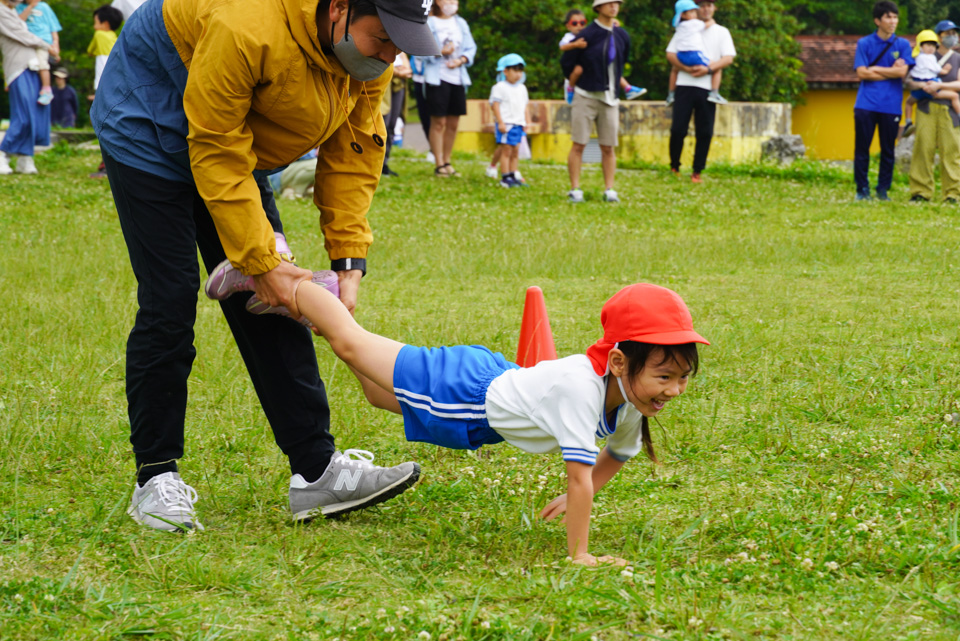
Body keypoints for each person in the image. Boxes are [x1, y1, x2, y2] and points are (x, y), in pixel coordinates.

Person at [88, 0, 441, 532]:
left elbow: (354, 148)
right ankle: (155, 478)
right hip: (148, 125)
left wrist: (347, 257)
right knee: (171, 297)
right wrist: (260, 261)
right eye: (383, 37)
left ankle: (316, 473)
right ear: (340, 9)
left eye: (401, 42)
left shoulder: (367, 60)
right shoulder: (246, 24)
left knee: (273, 305)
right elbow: (215, 145)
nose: (390, 53)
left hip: (228, 138)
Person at [255, 278, 708, 566]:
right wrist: (580, 554)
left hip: (482, 407)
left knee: (375, 389)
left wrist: (569, 501)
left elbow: (619, 453)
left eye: (682, 378)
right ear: (618, 361)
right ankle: (294, 284)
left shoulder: (628, 399)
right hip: (463, 393)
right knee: (352, 347)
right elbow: (580, 477)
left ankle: (320, 312)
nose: (674, 390)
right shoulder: (580, 390)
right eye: (664, 376)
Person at [561, 0, 632, 204]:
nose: (613, 7)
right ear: (598, 8)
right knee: (579, 144)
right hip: (586, 95)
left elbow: (623, 59)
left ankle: (609, 189)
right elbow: (567, 61)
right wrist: (580, 80)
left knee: (608, 146)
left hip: (610, 98)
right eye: (609, 3)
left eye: (616, 3)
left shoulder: (622, 35)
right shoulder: (586, 34)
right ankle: (575, 188)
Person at [666, 0, 735, 184]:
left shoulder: (721, 32)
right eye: (701, 6)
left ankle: (697, 170)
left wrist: (708, 70)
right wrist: (686, 69)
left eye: (709, 5)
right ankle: (674, 166)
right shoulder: (685, 28)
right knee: (678, 129)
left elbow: (728, 57)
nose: (705, 9)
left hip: (706, 87)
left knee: (704, 131)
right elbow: (671, 54)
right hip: (684, 84)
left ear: (714, 8)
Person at [852, 1, 912, 201]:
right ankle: (862, 190)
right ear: (877, 21)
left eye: (895, 17)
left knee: (888, 150)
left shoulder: (902, 44)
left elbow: (902, 73)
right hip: (865, 104)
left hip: (891, 105)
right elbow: (861, 73)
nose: (893, 21)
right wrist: (890, 72)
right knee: (862, 148)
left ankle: (883, 190)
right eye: (888, 17)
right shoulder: (864, 43)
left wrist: (875, 69)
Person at [907, 20, 960, 203]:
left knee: (951, 151)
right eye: (947, 33)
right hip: (926, 107)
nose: (952, 36)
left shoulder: (957, 58)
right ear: (938, 37)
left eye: (954, 32)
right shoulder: (925, 54)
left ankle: (952, 193)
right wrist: (923, 85)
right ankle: (921, 191)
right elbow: (910, 81)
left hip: (949, 110)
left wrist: (940, 85)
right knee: (923, 148)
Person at [422, 0, 476, 177]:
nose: (452, 3)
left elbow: (470, 48)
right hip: (437, 78)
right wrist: (440, 52)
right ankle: (438, 164)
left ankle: (447, 161)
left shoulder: (461, 22)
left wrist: (461, 60)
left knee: (453, 122)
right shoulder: (429, 22)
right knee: (439, 122)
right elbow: (419, 50)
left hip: (458, 78)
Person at [0, 0, 54, 175]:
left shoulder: (13, 11)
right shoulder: (1, 11)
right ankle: (3, 153)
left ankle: (25, 157)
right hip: (18, 67)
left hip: (32, 66)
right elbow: (23, 35)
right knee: (23, 115)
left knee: (36, 113)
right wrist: (48, 46)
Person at [562, 9, 645, 106]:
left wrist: (611, 23)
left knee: (610, 69)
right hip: (574, 68)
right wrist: (575, 44)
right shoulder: (568, 37)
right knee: (578, 70)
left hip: (589, 69)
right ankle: (570, 88)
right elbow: (562, 47)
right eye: (574, 23)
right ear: (568, 26)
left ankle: (627, 88)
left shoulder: (589, 34)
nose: (579, 26)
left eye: (582, 23)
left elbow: (600, 26)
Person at [86, 4, 123, 179]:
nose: (94, 26)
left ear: (105, 23)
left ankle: (105, 166)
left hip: (103, 83)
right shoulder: (116, 37)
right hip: (116, 81)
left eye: (95, 22)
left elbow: (90, 51)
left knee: (103, 124)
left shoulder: (99, 35)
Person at [666, 0, 725, 106]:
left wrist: (684, 68)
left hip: (681, 56)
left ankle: (671, 94)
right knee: (716, 67)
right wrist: (712, 22)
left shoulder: (680, 26)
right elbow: (707, 25)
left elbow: (671, 53)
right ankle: (714, 93)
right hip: (694, 55)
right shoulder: (695, 24)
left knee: (674, 69)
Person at [902, 30, 960, 129]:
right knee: (954, 96)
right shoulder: (930, 58)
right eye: (928, 45)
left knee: (908, 102)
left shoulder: (916, 57)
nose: (930, 48)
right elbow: (937, 69)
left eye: (932, 46)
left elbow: (909, 75)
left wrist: (919, 84)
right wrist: (945, 71)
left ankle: (908, 122)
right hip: (931, 87)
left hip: (918, 89)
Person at [489, 54, 531, 188]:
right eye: (514, 70)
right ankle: (505, 177)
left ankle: (513, 175)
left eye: (520, 70)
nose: (518, 74)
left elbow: (525, 106)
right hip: (506, 124)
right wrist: (500, 122)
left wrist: (526, 122)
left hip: (518, 124)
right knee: (506, 150)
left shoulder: (522, 88)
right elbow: (495, 105)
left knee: (515, 150)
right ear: (505, 71)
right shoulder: (500, 87)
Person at [14, 0, 60, 105]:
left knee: (42, 64)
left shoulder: (44, 7)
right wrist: (30, 6)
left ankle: (46, 90)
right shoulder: (19, 7)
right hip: (26, 42)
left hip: (43, 42)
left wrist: (56, 44)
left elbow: (53, 27)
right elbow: (19, 22)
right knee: (21, 65)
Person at [382, 51, 412, 177]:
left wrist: (401, 71)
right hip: (383, 83)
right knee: (382, 124)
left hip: (398, 85)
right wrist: (398, 71)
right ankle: (373, 164)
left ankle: (384, 164)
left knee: (391, 125)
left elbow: (408, 70)